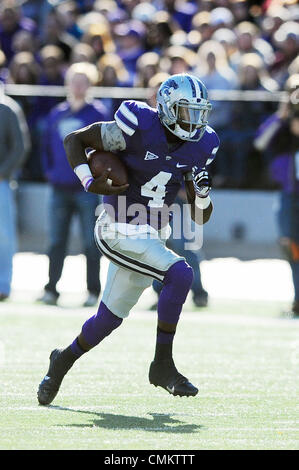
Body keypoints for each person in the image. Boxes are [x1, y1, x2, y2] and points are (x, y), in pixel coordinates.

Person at [37, 73, 219, 405]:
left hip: (152, 234)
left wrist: (203, 194)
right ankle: (162, 365)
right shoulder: (137, 124)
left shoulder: (204, 144)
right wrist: (89, 182)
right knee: (180, 274)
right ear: (165, 108)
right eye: (184, 112)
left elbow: (199, 215)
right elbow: (74, 141)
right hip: (117, 227)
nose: (193, 121)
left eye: (197, 112)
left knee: (108, 319)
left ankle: (61, 360)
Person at [38, 62, 109, 307]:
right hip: (59, 187)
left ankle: (92, 291)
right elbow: (46, 144)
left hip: (86, 190)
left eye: (83, 81)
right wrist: (50, 171)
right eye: (74, 81)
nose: (78, 86)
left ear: (90, 84)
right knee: (56, 241)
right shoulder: (57, 113)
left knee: (91, 242)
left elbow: (106, 150)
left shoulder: (98, 114)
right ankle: (51, 289)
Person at [254, 75, 299, 317]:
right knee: (290, 246)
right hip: (289, 193)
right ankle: (297, 299)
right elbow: (260, 142)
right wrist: (282, 115)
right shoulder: (282, 122)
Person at [0, 85, 26, 300]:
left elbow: (19, 147)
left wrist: (2, 173)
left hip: (2, 183)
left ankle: (3, 285)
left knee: (4, 237)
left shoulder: (7, 108)